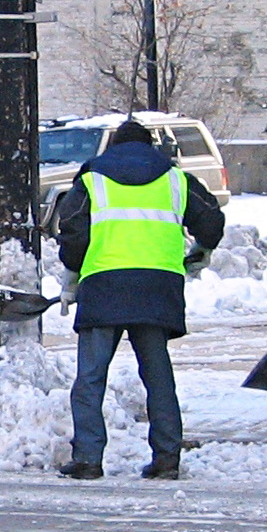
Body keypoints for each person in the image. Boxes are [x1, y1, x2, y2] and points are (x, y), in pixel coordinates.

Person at [53, 119, 224, 481]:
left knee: (90, 377)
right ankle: (167, 458)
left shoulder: (92, 178)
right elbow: (210, 219)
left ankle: (87, 457)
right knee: (158, 375)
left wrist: (72, 272)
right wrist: (201, 249)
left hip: (104, 284)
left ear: (113, 146)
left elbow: (72, 228)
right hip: (157, 287)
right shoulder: (176, 178)